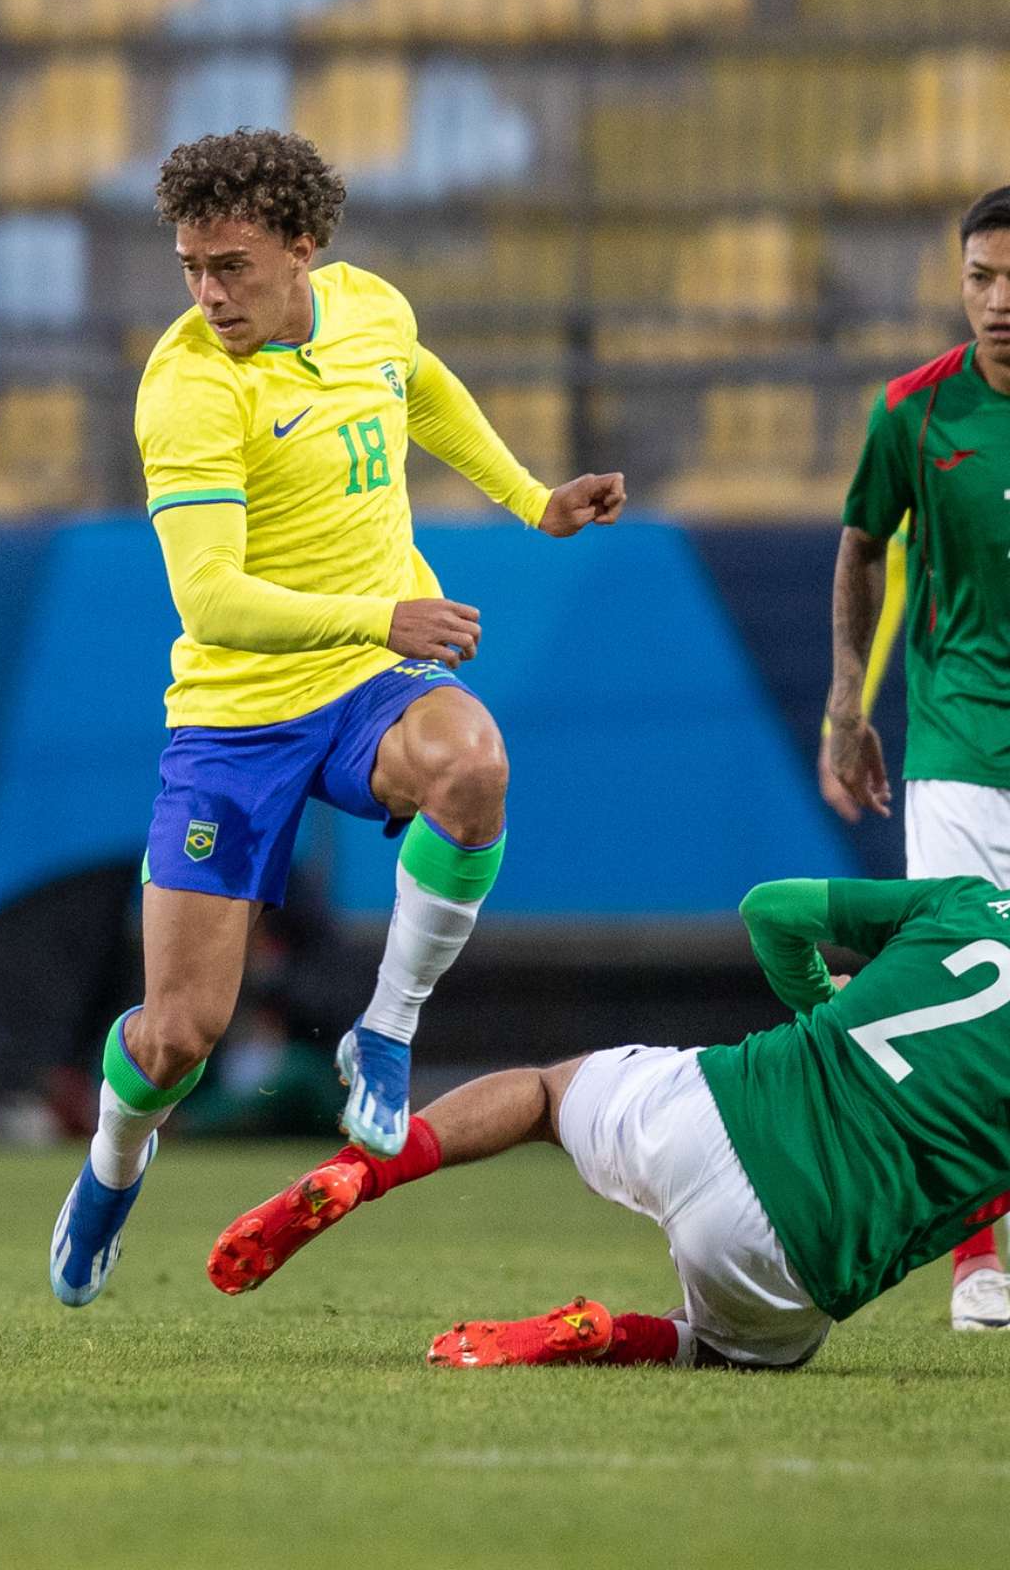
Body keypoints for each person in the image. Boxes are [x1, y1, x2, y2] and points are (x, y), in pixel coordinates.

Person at [49, 129, 625, 1307]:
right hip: (237, 714)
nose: (209, 294)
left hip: (367, 681)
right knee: (178, 1037)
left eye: (234, 267)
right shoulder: (190, 386)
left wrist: (531, 500)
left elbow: (423, 387)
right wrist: (384, 609)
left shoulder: (368, 309)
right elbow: (211, 598)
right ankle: (113, 1162)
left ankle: (387, 1030)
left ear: (304, 248)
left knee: (474, 763)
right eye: (191, 267)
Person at [210, 874, 1010, 1369]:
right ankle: (606, 1334)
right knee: (736, 1351)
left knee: (544, 1096)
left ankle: (362, 1168)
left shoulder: (971, 901)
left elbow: (771, 910)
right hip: (792, 1254)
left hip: (712, 1107)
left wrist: (821, 1008)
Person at [819, 184, 1010, 1331]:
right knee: (969, 995)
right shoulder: (913, 414)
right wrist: (849, 703)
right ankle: (976, 1262)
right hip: (959, 753)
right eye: (980, 277)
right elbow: (861, 545)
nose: (999, 302)